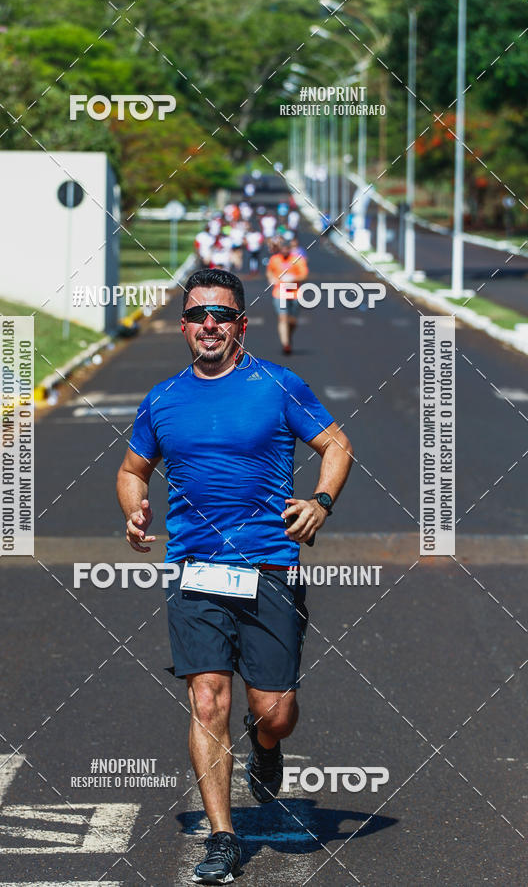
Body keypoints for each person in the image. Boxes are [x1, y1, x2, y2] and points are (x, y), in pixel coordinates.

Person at [117, 268, 352, 885]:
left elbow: (337, 446)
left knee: (275, 711)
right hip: (195, 570)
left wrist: (319, 503)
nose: (209, 326)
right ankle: (223, 836)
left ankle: (266, 747)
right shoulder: (163, 399)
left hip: (269, 566)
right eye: (198, 316)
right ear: (184, 326)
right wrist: (134, 508)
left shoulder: (278, 385)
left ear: (242, 324)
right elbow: (131, 469)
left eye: (221, 315)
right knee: (206, 699)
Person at [266, 238, 309, 355]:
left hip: (294, 292)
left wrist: (293, 278)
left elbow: (304, 275)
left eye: (287, 249)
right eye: (282, 249)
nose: (284, 251)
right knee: (282, 317)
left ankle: (288, 337)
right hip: (280, 292)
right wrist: (271, 279)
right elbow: (270, 271)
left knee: (292, 321)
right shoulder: (275, 259)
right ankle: (286, 344)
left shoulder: (297, 260)